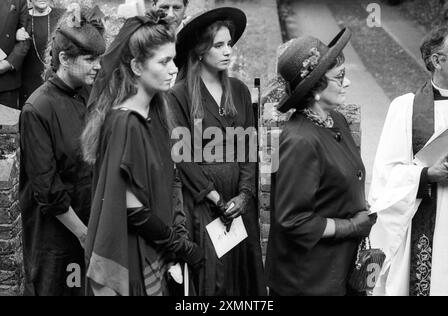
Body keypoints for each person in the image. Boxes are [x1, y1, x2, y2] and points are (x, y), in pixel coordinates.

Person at [82, 11, 203, 296]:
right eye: (163, 61)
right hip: (133, 254)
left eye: (173, 59)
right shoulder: (126, 122)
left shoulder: (157, 111)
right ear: (136, 66)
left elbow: (169, 177)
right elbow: (130, 207)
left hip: (156, 252)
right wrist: (178, 244)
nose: (174, 68)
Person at [265, 29, 377, 296]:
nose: (347, 82)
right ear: (314, 89)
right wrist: (352, 226)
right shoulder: (299, 141)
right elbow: (293, 220)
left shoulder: (335, 120)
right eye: (339, 78)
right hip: (308, 280)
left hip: (338, 267)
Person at [168, 7, 266, 296]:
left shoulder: (239, 91)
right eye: (218, 45)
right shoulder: (180, 95)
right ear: (199, 51)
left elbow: (249, 148)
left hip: (239, 206)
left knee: (243, 283)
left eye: (229, 45)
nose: (227, 52)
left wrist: (245, 195)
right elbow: (183, 158)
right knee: (215, 283)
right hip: (205, 207)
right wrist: (216, 198)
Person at [19, 6, 106, 296]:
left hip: (92, 231)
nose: (98, 66)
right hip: (55, 242)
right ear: (65, 59)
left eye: (100, 59)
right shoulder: (37, 108)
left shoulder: (87, 94)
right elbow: (47, 191)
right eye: (90, 59)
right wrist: (84, 234)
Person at [369, 25, 448, 296]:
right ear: (438, 61)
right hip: (427, 223)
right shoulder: (406, 109)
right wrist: (426, 175)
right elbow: (386, 177)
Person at [18, 0, 65, 108]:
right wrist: (16, 36)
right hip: (28, 81)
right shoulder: (22, 18)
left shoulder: (62, 15)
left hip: (55, 80)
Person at [0, 0, 30, 109]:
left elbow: (25, 38)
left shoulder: (19, 1)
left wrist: (8, 63)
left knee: (7, 124)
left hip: (6, 82)